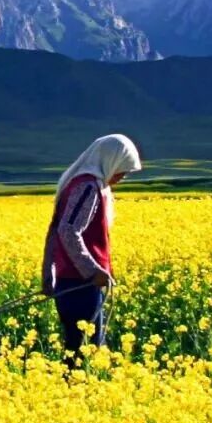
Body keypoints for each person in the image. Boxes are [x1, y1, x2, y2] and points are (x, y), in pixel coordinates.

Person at [41, 134, 141, 362]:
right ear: (110, 161)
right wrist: (92, 270)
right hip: (78, 284)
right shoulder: (86, 187)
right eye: (122, 169)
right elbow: (67, 231)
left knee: (80, 349)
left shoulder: (83, 184)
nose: (123, 176)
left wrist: (48, 274)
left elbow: (55, 230)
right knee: (84, 352)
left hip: (76, 281)